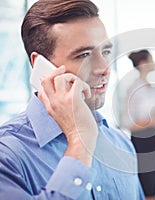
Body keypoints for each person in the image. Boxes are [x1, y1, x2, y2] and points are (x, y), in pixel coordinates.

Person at [0, 0, 144, 199]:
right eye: (84, 55)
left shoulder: (121, 144)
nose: (104, 68)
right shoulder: (7, 155)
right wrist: (80, 140)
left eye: (106, 52)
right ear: (41, 65)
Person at [122, 50, 155, 200]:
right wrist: (152, 121)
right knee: (145, 185)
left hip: (154, 142)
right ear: (142, 64)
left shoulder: (151, 87)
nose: (154, 63)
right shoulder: (134, 88)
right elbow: (128, 122)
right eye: (151, 59)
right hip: (142, 143)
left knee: (152, 185)